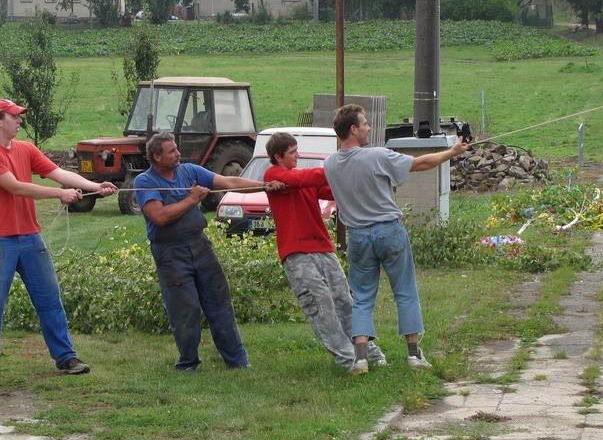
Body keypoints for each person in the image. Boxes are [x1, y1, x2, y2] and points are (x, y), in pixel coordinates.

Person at [0, 98, 116, 385]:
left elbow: (58, 173)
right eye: (15, 117)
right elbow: (14, 186)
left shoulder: (26, 149)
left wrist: (94, 187)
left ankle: (66, 358)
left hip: (29, 236)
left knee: (50, 299)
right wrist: (58, 194)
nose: (20, 121)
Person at [324, 104, 468, 371]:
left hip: (357, 236)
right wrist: (452, 151)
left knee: (362, 297)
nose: (368, 127)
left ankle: (361, 358)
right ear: (353, 129)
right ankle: (413, 355)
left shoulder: (330, 164)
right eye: (364, 123)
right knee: (405, 291)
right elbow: (420, 163)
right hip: (388, 231)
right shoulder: (376, 155)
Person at [134, 132, 281, 371]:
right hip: (170, 253)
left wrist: (265, 186)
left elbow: (229, 183)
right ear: (156, 156)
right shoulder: (145, 182)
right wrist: (192, 200)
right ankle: (188, 363)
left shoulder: (189, 171)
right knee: (185, 309)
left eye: (176, 149)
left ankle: (237, 362)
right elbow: (159, 217)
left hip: (200, 246)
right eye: (172, 151)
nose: (178, 153)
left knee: (220, 303)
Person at [262, 132, 386, 375]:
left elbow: (331, 189)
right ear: (278, 157)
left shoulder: (300, 179)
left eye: (297, 150)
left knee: (345, 300)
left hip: (323, 248)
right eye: (292, 152)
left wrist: (361, 176)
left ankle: (368, 352)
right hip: (297, 252)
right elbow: (312, 177)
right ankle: (347, 359)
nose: (298, 155)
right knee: (321, 304)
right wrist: (338, 165)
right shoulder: (274, 175)